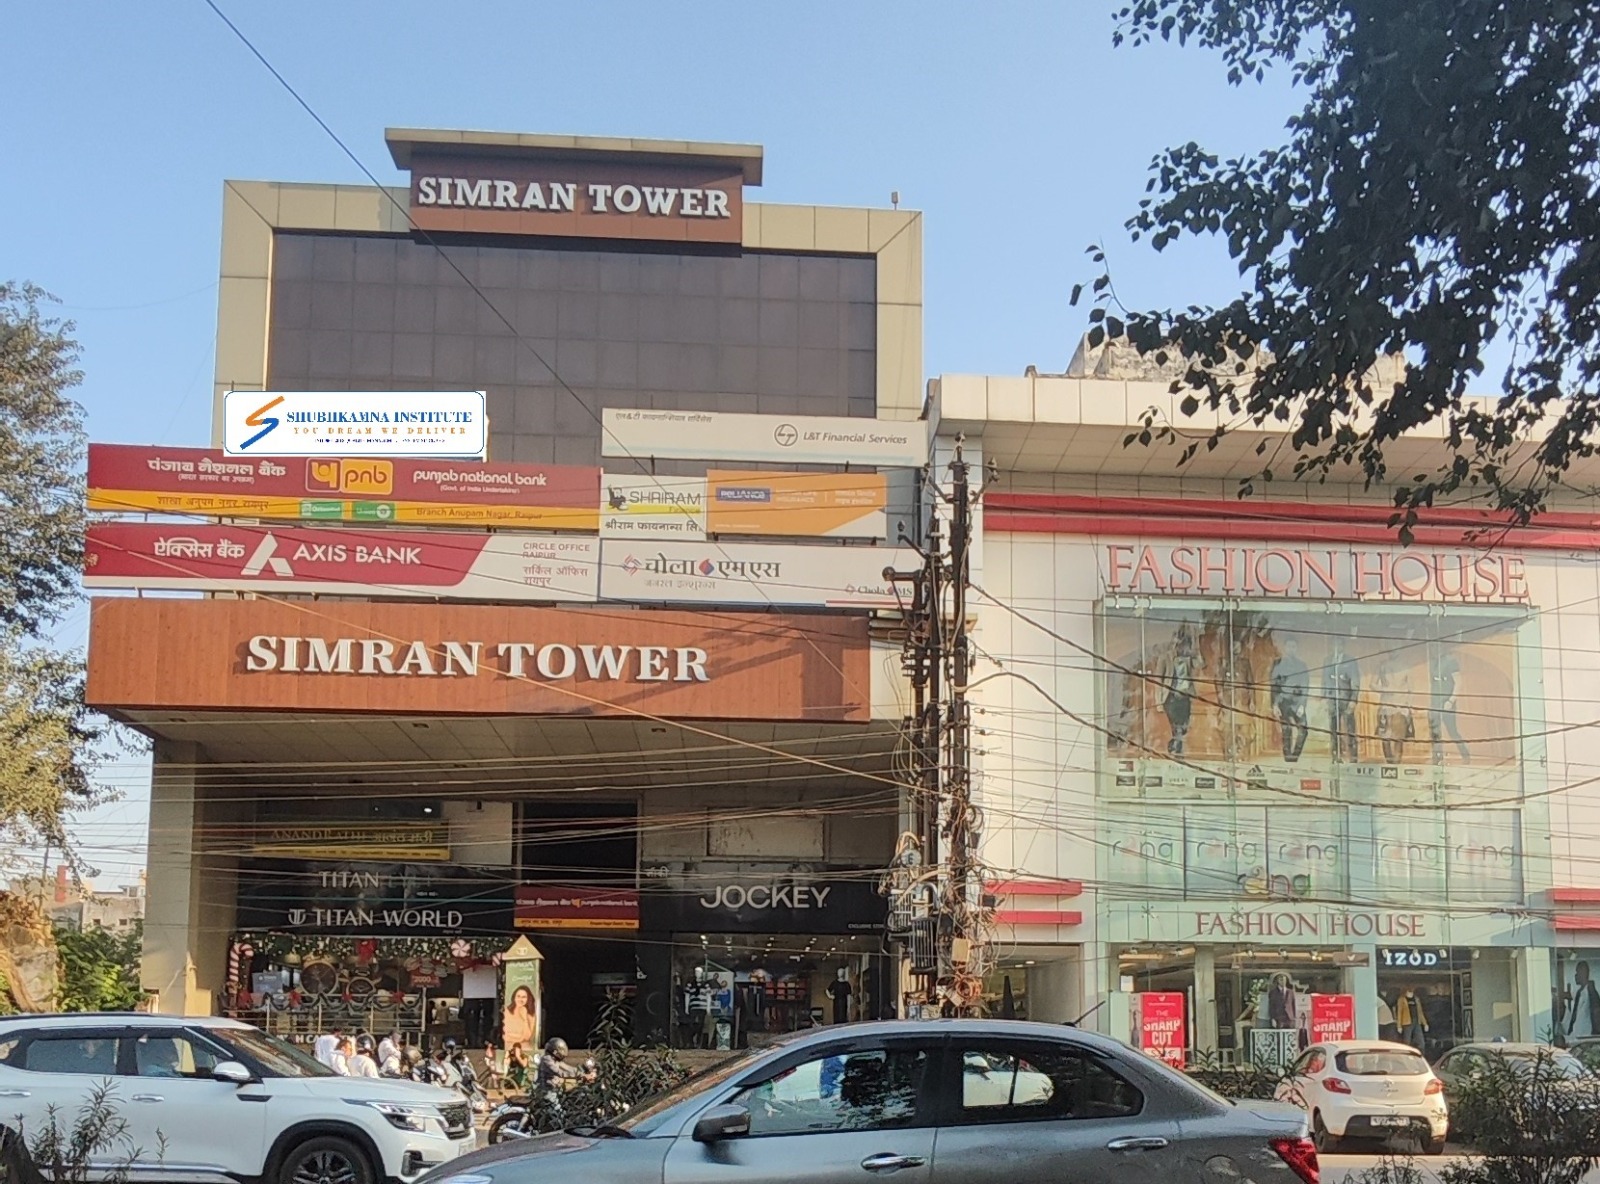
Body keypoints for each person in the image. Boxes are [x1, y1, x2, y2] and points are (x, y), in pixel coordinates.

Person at [1269, 638, 1311, 762]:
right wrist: (1275, 704)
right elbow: (1274, 686)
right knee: (1286, 730)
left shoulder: (1302, 665)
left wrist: (1302, 705)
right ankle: (1288, 757)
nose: (1291, 649)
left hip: (1297, 702)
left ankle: (1295, 755)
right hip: (1283, 701)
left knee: (1303, 730)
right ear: (1285, 648)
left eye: (1293, 646)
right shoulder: (1278, 664)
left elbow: (1305, 686)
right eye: (1289, 646)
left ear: (1296, 648)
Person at [1429, 646, 1471, 764]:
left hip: (1446, 702)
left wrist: (1451, 700)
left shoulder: (1451, 661)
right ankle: (1437, 758)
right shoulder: (1433, 662)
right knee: (1435, 731)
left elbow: (1458, 682)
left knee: (1452, 731)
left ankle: (1465, 754)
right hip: (1434, 702)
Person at [1325, 635, 1362, 762]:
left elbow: (1355, 681)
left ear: (1343, 646)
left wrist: (1353, 699)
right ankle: (1336, 756)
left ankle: (1353, 757)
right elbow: (1325, 680)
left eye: (1339, 644)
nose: (1337, 647)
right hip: (1332, 701)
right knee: (1334, 730)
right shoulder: (1327, 661)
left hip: (1346, 700)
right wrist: (1325, 697)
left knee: (1350, 729)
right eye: (1334, 645)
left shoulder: (1350, 661)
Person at [1375, 658, 1415, 764]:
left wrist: (1409, 706)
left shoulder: (1405, 667)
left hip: (1400, 707)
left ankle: (1396, 763)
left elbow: (1411, 689)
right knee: (1385, 738)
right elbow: (1372, 684)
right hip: (1385, 707)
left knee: (1399, 738)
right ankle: (1389, 763)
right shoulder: (1382, 666)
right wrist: (1385, 689)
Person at [1568, 960, 1600, 1039]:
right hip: (1576, 1036)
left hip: (1586, 1037)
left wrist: (1596, 1035)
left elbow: (1596, 1015)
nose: (1575, 975)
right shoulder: (1579, 993)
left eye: (1577, 972)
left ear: (1583, 973)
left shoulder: (1591, 992)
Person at [502, 984, 537, 1051]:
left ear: (528, 999)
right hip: (508, 1047)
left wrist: (524, 1018)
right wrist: (520, 1038)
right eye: (518, 996)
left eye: (524, 997)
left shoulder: (530, 1014)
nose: (520, 999)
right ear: (514, 997)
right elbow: (505, 1035)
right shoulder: (507, 1011)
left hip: (525, 1048)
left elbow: (527, 1037)